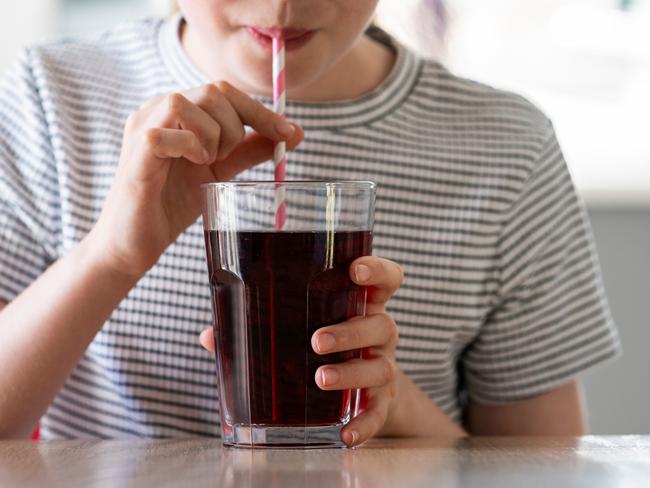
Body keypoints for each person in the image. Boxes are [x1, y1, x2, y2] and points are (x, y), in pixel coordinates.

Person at [0, 0, 620, 443]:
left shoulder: (509, 146)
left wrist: (396, 408)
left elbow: (544, 465)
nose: (282, 4)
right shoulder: (49, 96)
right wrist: (112, 255)